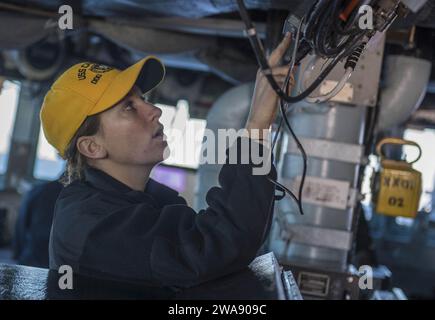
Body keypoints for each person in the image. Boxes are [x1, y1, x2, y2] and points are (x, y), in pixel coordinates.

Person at [40, 34, 294, 287]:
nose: (155, 110)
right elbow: (215, 248)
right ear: (92, 147)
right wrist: (258, 125)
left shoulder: (152, 199)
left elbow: (225, 245)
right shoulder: (91, 224)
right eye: (129, 106)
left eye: (144, 99)